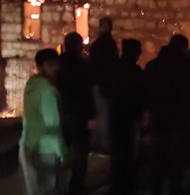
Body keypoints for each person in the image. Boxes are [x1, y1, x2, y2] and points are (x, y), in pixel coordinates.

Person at [145, 35, 190, 195]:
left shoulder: (153, 65)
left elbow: (147, 93)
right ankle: (175, 189)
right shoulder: (186, 66)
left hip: (158, 118)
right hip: (178, 119)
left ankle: (156, 188)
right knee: (177, 159)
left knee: (158, 157)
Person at [20, 48, 67, 195]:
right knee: (50, 189)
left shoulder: (31, 85)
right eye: (50, 65)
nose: (55, 69)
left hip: (30, 144)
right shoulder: (49, 91)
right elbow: (53, 125)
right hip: (47, 148)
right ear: (40, 67)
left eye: (56, 64)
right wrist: (62, 152)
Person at [58, 32, 95, 195]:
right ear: (78, 45)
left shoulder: (57, 64)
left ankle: (57, 182)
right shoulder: (84, 65)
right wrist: (91, 115)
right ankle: (76, 186)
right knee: (80, 151)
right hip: (79, 114)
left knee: (59, 149)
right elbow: (88, 92)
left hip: (61, 112)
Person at [110, 39, 145, 195]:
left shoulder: (114, 68)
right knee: (129, 153)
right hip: (131, 118)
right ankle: (127, 186)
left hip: (116, 115)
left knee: (117, 153)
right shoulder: (136, 72)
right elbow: (143, 95)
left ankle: (116, 185)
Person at [88, 17, 118, 152]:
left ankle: (99, 142)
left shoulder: (103, 44)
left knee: (102, 114)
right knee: (103, 114)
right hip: (103, 83)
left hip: (101, 82)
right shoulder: (107, 44)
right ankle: (101, 143)